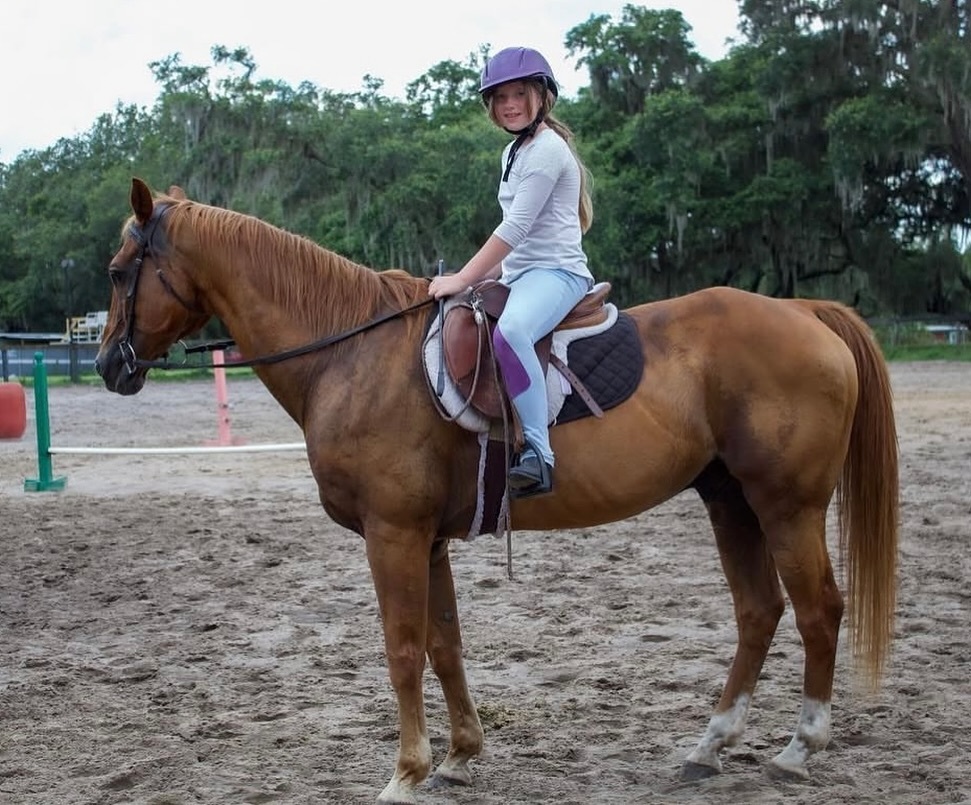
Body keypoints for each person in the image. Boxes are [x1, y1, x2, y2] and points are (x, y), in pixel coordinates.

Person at [429, 46, 595, 497]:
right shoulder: (512, 153)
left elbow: (516, 228)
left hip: (558, 274)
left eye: (519, 93)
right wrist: (481, 281)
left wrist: (463, 277)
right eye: (500, 97)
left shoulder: (547, 151)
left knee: (513, 332)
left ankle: (539, 454)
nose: (510, 104)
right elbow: (516, 241)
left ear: (541, 95)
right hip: (521, 273)